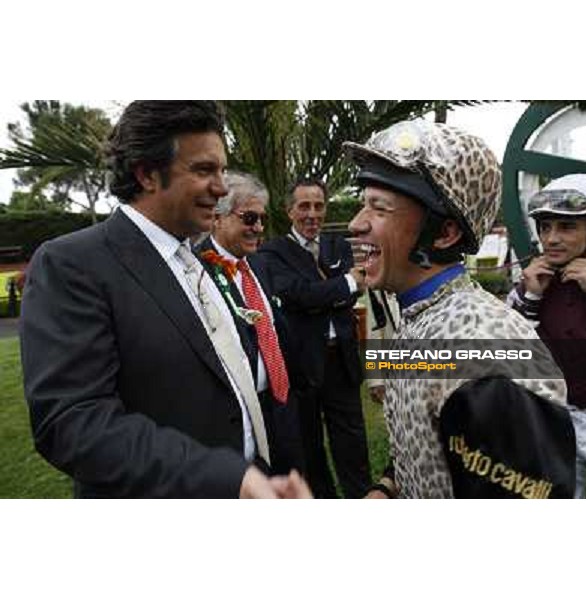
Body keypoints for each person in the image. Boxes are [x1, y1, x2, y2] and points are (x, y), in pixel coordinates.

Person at [19, 101, 310, 499]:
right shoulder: (73, 264)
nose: (222, 188)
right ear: (147, 174)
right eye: (205, 170)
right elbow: (72, 423)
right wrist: (226, 476)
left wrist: (254, 467)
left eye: (222, 170)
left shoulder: (192, 259)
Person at [345, 118, 574, 499]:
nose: (356, 223)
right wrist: (387, 487)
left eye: (379, 208)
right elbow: (424, 441)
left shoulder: (484, 347)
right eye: (361, 205)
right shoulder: (422, 316)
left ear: (445, 233)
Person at [258, 178, 372, 498]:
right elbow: (296, 295)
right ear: (289, 211)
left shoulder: (339, 246)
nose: (312, 214)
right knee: (311, 447)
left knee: (352, 443)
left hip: (342, 362)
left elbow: (351, 290)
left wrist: (324, 295)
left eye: (319, 206)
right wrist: (341, 286)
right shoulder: (273, 253)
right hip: (303, 366)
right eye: (304, 206)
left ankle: (362, 499)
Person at [196, 171, 305, 474]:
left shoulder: (260, 263)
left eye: (261, 219)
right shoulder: (195, 271)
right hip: (238, 413)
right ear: (217, 217)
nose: (258, 228)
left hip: (281, 401)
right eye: (248, 218)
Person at [507, 173, 586, 497]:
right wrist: (530, 298)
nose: (552, 238)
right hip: (554, 417)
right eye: (545, 227)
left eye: (567, 227)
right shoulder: (534, 280)